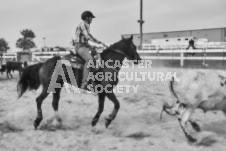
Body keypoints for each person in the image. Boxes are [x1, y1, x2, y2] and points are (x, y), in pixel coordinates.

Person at [74, 11, 107, 90]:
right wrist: (99, 42)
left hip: (84, 46)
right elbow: (88, 36)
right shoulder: (83, 25)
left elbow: (87, 38)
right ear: (87, 18)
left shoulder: (86, 25)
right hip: (80, 47)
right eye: (91, 17)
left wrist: (95, 45)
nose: (92, 19)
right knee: (90, 60)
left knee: (97, 56)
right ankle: (84, 84)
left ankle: (94, 81)